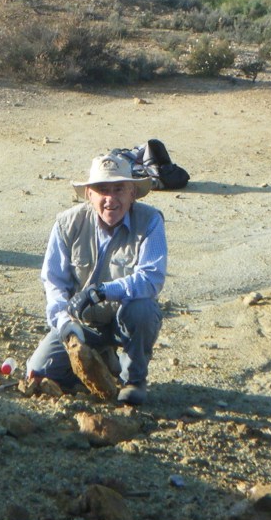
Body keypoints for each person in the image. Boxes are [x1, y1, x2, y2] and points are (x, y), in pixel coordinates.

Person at [24, 151, 167, 405]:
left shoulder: (150, 221)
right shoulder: (67, 223)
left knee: (143, 308)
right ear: (89, 194)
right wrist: (65, 327)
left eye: (119, 189)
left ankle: (133, 379)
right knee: (41, 371)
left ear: (132, 193)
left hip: (125, 319)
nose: (110, 199)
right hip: (83, 323)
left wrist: (101, 291)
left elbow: (151, 278)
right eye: (102, 190)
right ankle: (103, 361)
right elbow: (54, 283)